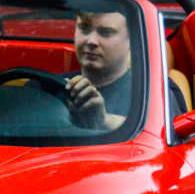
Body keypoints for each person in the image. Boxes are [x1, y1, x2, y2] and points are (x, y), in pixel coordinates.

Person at [47, 10, 185, 131]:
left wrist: (103, 121)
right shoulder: (46, 88)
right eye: (84, 28)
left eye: (106, 32)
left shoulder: (156, 91)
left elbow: (163, 138)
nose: (91, 41)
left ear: (132, 39)